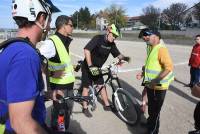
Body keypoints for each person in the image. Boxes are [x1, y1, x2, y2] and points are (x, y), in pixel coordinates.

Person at [0, 0, 60, 134]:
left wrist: (45, 95)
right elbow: (20, 123)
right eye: (49, 21)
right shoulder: (26, 56)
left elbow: (13, 93)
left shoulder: (12, 47)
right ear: (41, 18)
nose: (49, 27)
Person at [81, 24, 130, 117]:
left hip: (98, 68)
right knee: (86, 87)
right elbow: (86, 50)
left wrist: (126, 58)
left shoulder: (111, 44)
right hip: (88, 67)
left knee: (101, 85)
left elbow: (118, 54)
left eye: (116, 36)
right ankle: (85, 107)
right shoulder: (98, 38)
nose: (114, 38)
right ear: (108, 32)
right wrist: (90, 66)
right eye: (113, 35)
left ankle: (107, 105)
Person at [37, 15, 75, 132]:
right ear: (63, 26)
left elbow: (62, 62)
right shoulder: (51, 42)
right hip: (58, 86)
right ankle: (57, 131)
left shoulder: (64, 41)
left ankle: (62, 129)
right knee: (60, 113)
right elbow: (36, 59)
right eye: (71, 25)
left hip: (68, 84)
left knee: (67, 110)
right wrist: (52, 73)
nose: (73, 28)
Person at [142, 30, 174, 134]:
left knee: (155, 112)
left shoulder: (161, 49)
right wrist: (143, 73)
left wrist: (155, 80)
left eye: (148, 36)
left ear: (155, 37)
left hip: (159, 87)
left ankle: (153, 131)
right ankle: (149, 124)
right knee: (151, 108)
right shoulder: (152, 48)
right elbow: (152, 66)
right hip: (152, 86)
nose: (146, 38)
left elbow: (168, 67)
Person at [137, 28, 166, 113]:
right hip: (149, 73)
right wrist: (143, 72)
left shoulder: (160, 46)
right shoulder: (149, 45)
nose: (144, 40)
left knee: (154, 96)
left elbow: (164, 64)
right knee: (146, 90)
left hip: (157, 76)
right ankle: (144, 105)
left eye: (144, 38)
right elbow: (150, 59)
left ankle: (149, 108)